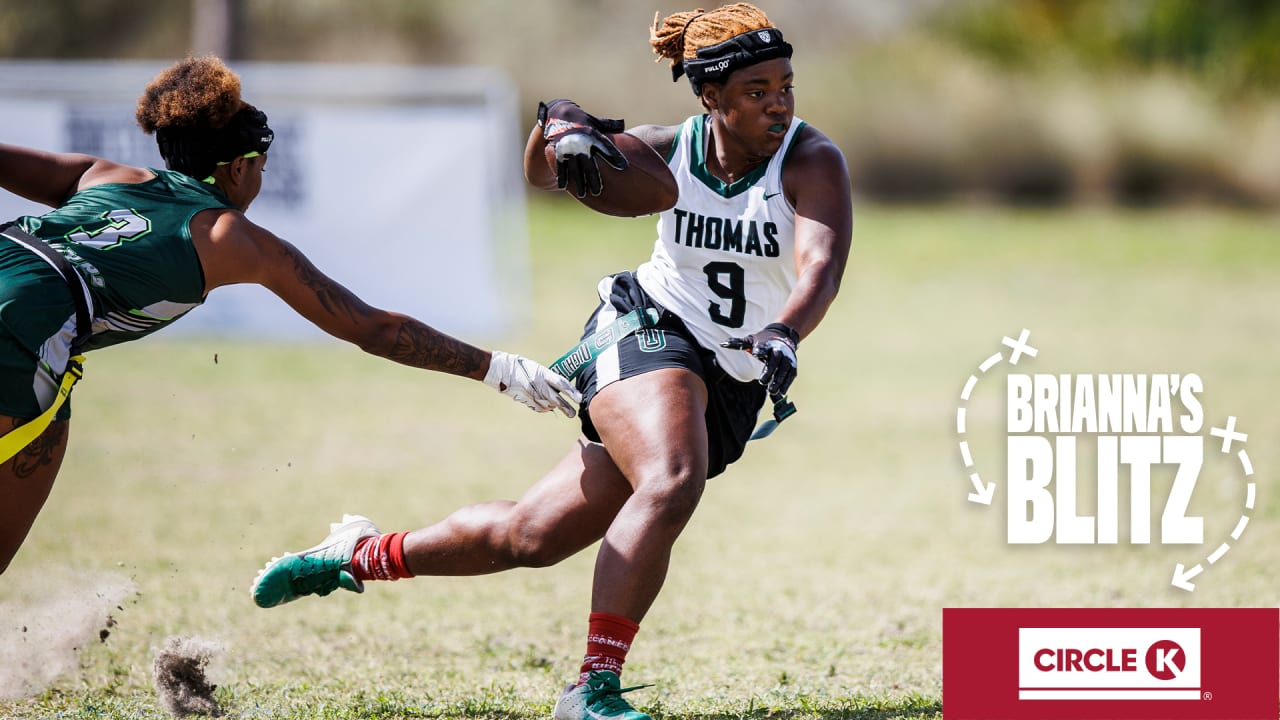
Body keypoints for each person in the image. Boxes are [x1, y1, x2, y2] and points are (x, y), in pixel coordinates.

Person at [251, 4, 852, 719]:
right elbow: (541, 174)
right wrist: (558, 122)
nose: (779, 104)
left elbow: (819, 267)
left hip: (732, 379)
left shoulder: (812, 160)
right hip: (646, 327)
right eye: (757, 92)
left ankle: (356, 554)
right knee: (672, 477)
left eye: (786, 86)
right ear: (710, 98)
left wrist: (784, 332)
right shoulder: (665, 149)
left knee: (528, 537)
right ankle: (591, 690)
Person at [0, 55, 580, 576]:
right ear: (238, 168)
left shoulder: (105, 175)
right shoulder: (233, 237)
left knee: (52, 423)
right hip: (30, 323)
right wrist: (498, 368)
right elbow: (374, 328)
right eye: (261, 166)